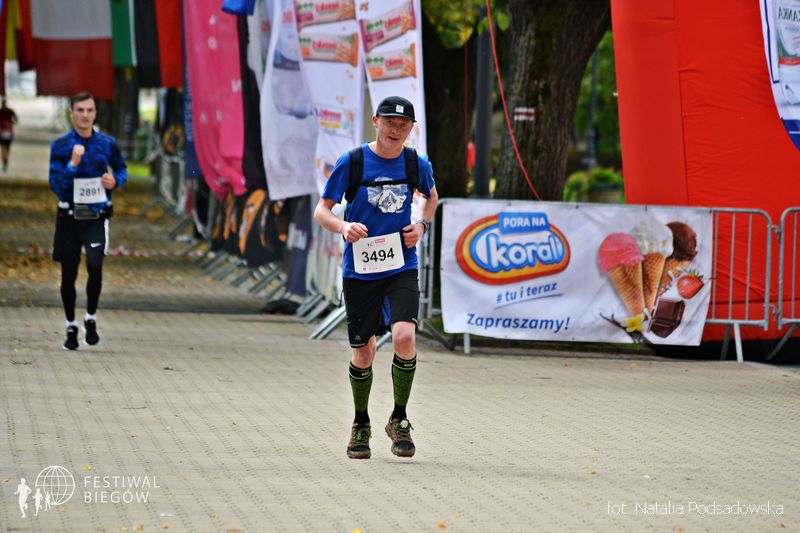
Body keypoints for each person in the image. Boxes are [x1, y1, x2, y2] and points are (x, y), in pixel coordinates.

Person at [313, 96, 438, 459]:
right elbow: (323, 210)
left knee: (404, 336)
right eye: (389, 123)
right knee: (364, 352)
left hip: (401, 264)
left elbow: (430, 198)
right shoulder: (352, 162)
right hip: (362, 269)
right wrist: (343, 226)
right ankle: (361, 422)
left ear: (411, 129)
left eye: (403, 125)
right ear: (375, 121)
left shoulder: (416, 163)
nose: (395, 130)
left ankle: (399, 418)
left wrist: (421, 225)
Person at [49, 92, 127, 350]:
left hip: (95, 216)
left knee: (95, 265)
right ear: (72, 113)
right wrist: (72, 164)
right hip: (69, 218)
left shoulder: (107, 143)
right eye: (80, 110)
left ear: (95, 114)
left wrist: (115, 181)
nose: (85, 115)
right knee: (69, 273)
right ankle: (71, 325)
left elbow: (121, 169)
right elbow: (57, 186)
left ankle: (90, 318)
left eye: (89, 110)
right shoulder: (60, 146)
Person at [0, 98, 19, 171]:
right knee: (7, 147)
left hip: (1, 132)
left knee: (3, 147)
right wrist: (11, 123)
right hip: (8, 132)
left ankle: (4, 158)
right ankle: (5, 158)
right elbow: (16, 120)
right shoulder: (10, 111)